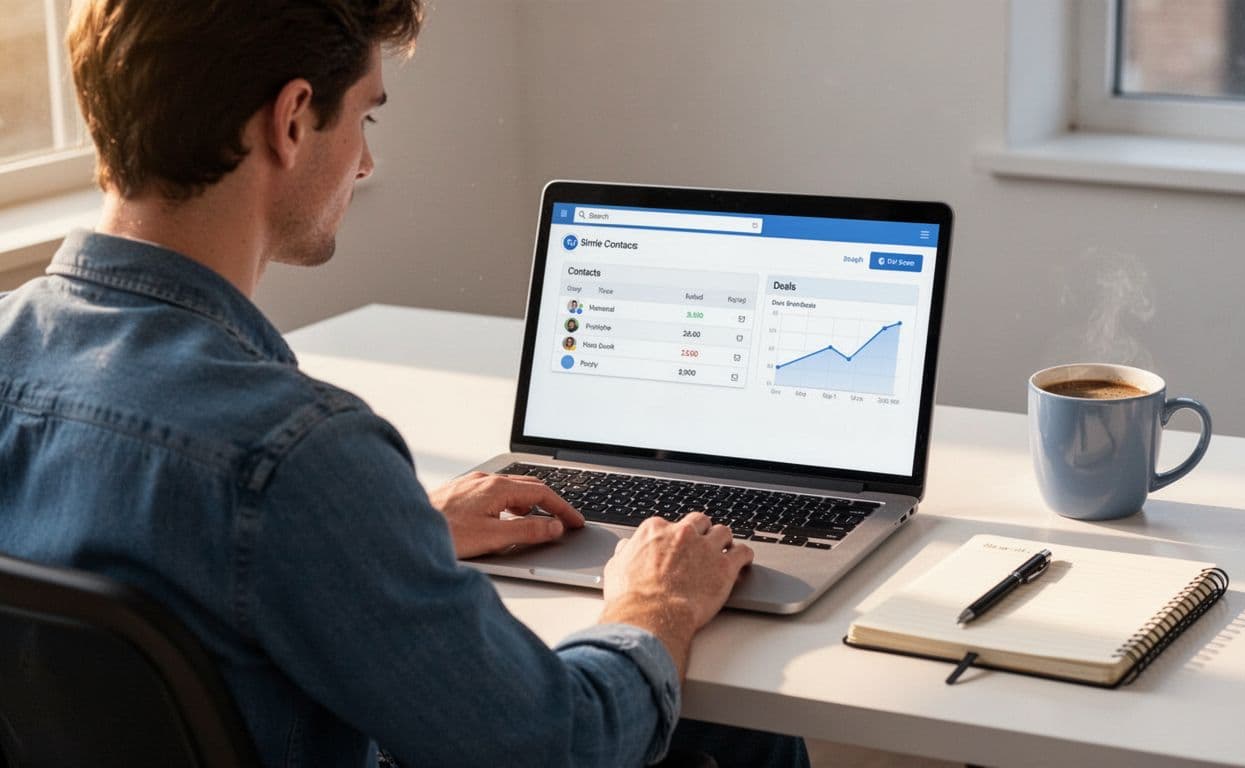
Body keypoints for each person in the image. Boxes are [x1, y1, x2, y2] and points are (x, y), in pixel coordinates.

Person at [0, 2, 808, 767]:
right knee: (738, 728)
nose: (367, 158)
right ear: (290, 122)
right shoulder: (296, 453)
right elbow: (560, 747)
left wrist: (383, 533)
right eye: (366, 115)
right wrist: (657, 601)